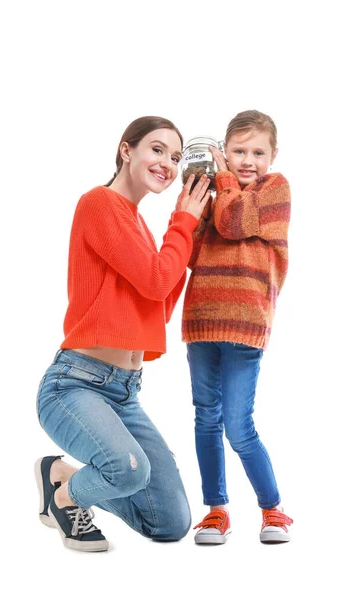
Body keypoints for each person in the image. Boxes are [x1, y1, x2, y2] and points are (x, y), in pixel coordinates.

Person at [35, 116, 211, 552]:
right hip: (75, 385)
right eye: (157, 149)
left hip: (125, 393)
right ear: (126, 150)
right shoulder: (98, 203)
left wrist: (190, 241)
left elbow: (159, 304)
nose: (167, 163)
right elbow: (155, 281)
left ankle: (66, 475)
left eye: (174, 156)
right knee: (129, 472)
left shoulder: (140, 227)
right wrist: (183, 223)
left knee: (170, 522)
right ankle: (64, 499)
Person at [182, 109, 293, 544]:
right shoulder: (218, 193)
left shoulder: (274, 189)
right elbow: (189, 253)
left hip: (245, 325)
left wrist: (224, 182)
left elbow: (233, 221)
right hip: (202, 323)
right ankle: (216, 510)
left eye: (257, 152)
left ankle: (272, 509)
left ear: (273, 155)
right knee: (206, 420)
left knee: (238, 425)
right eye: (238, 151)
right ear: (224, 152)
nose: (248, 160)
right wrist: (193, 198)